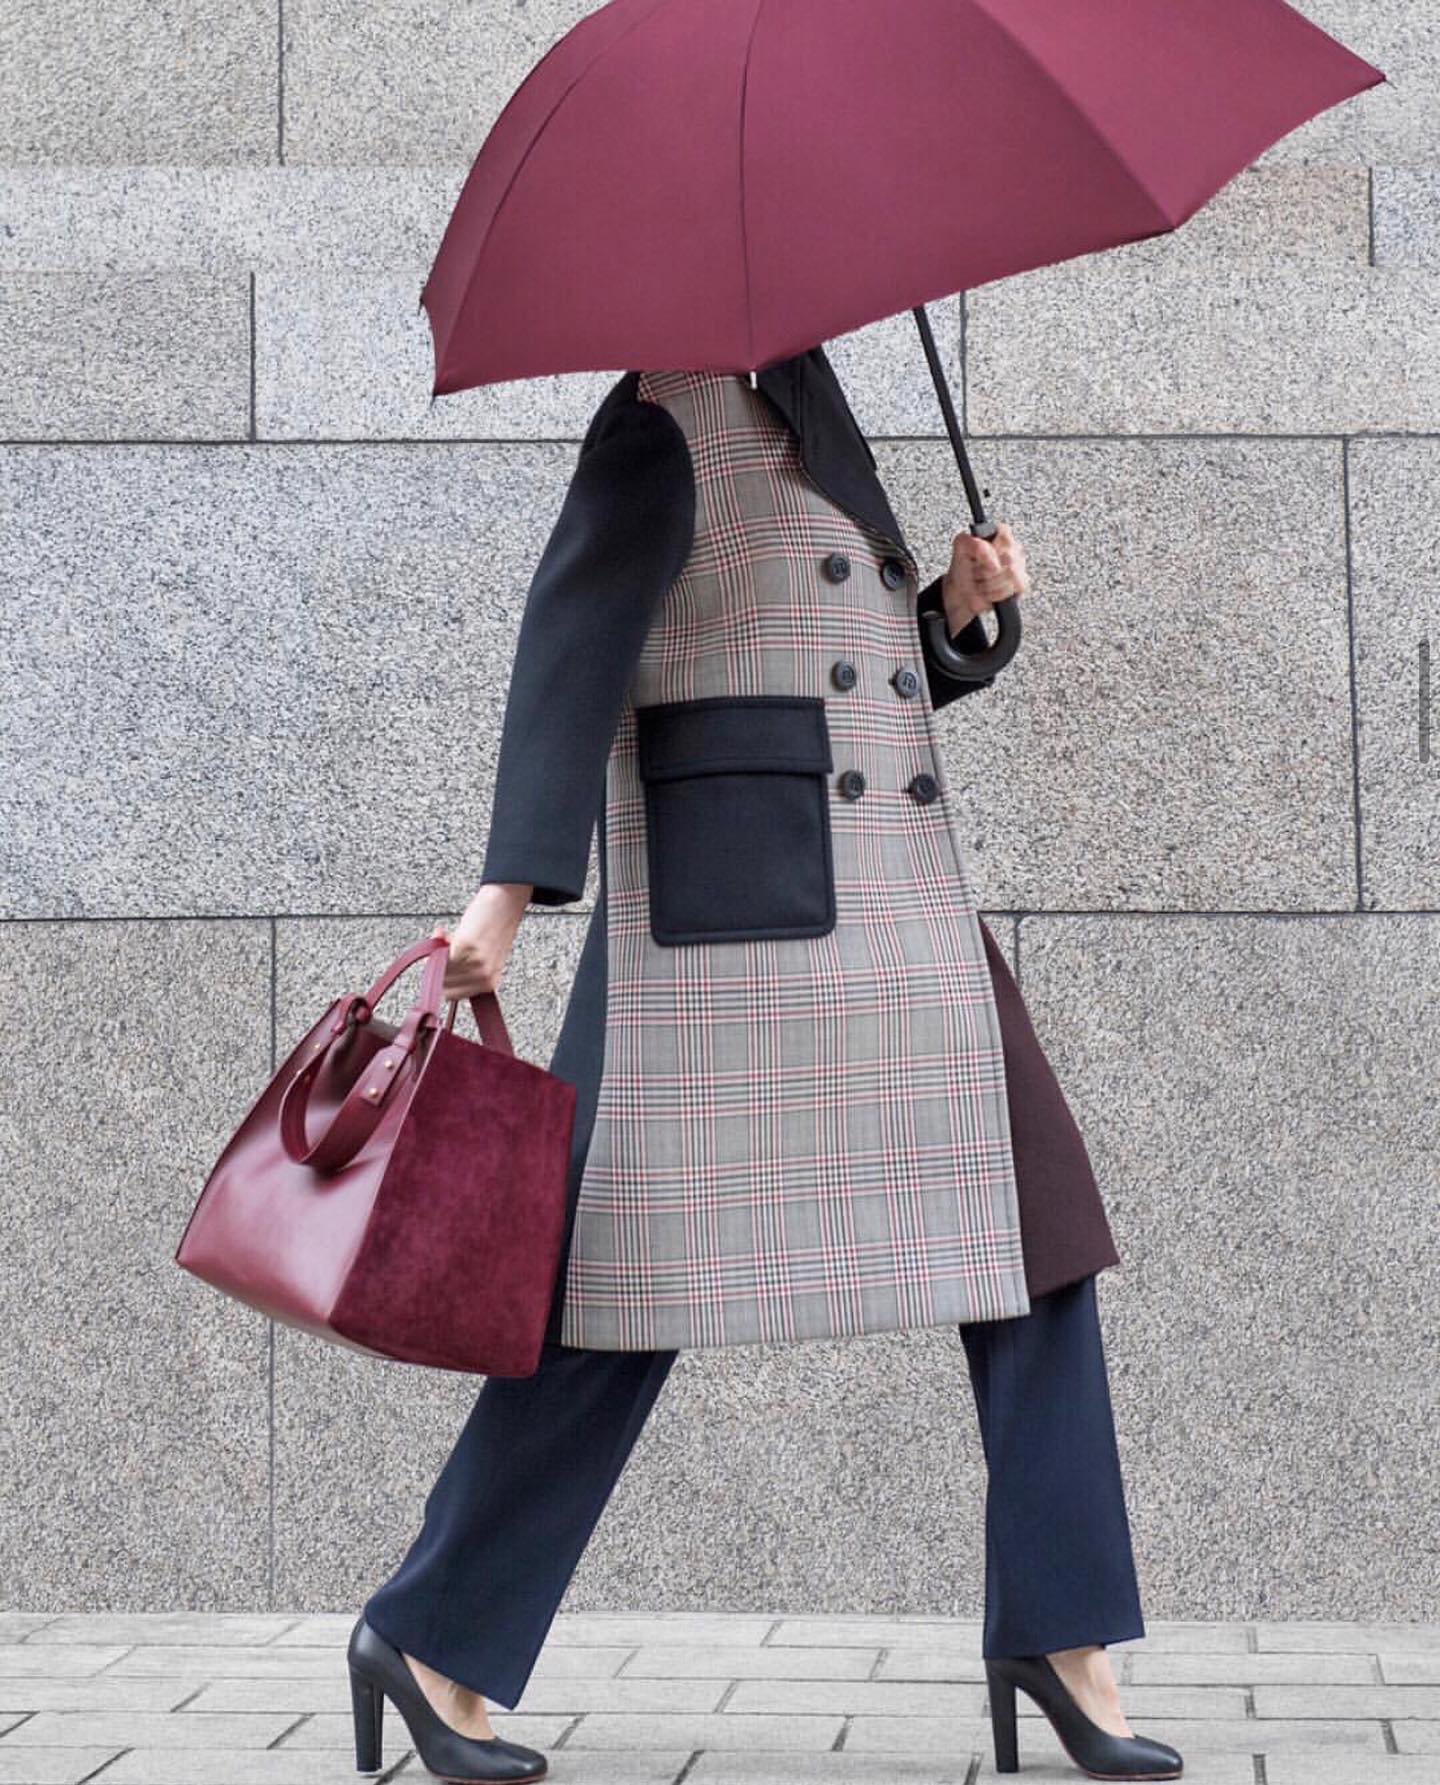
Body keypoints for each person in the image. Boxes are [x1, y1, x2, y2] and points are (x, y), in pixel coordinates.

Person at [347, 348, 1184, 1784]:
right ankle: (427, 1638)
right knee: (614, 1293)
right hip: (724, 926)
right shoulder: (655, 423)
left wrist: (952, 617)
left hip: (896, 907)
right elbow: (569, 655)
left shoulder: (803, 388)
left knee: (1038, 1235)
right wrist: (504, 900)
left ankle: (1063, 1635)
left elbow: (820, 655)